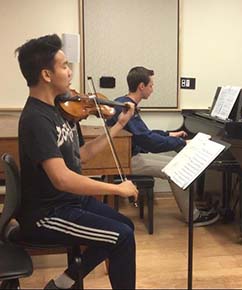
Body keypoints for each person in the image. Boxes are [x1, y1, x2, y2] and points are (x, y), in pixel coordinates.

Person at [15, 34, 138, 289]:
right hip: (47, 213)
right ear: (46, 75)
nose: (70, 72)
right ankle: (67, 282)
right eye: (64, 66)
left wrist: (119, 125)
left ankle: (64, 282)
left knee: (125, 225)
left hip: (68, 202)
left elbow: (80, 155)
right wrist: (116, 188)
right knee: (122, 237)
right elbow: (61, 179)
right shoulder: (36, 119)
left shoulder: (61, 110)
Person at [106, 66, 219, 226]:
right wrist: (182, 142)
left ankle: (193, 207)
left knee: (175, 163)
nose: (152, 89)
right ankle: (193, 216)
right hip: (126, 160)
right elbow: (148, 141)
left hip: (132, 155)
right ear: (141, 86)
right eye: (151, 85)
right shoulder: (126, 108)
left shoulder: (124, 102)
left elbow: (143, 133)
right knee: (176, 170)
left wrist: (168, 134)